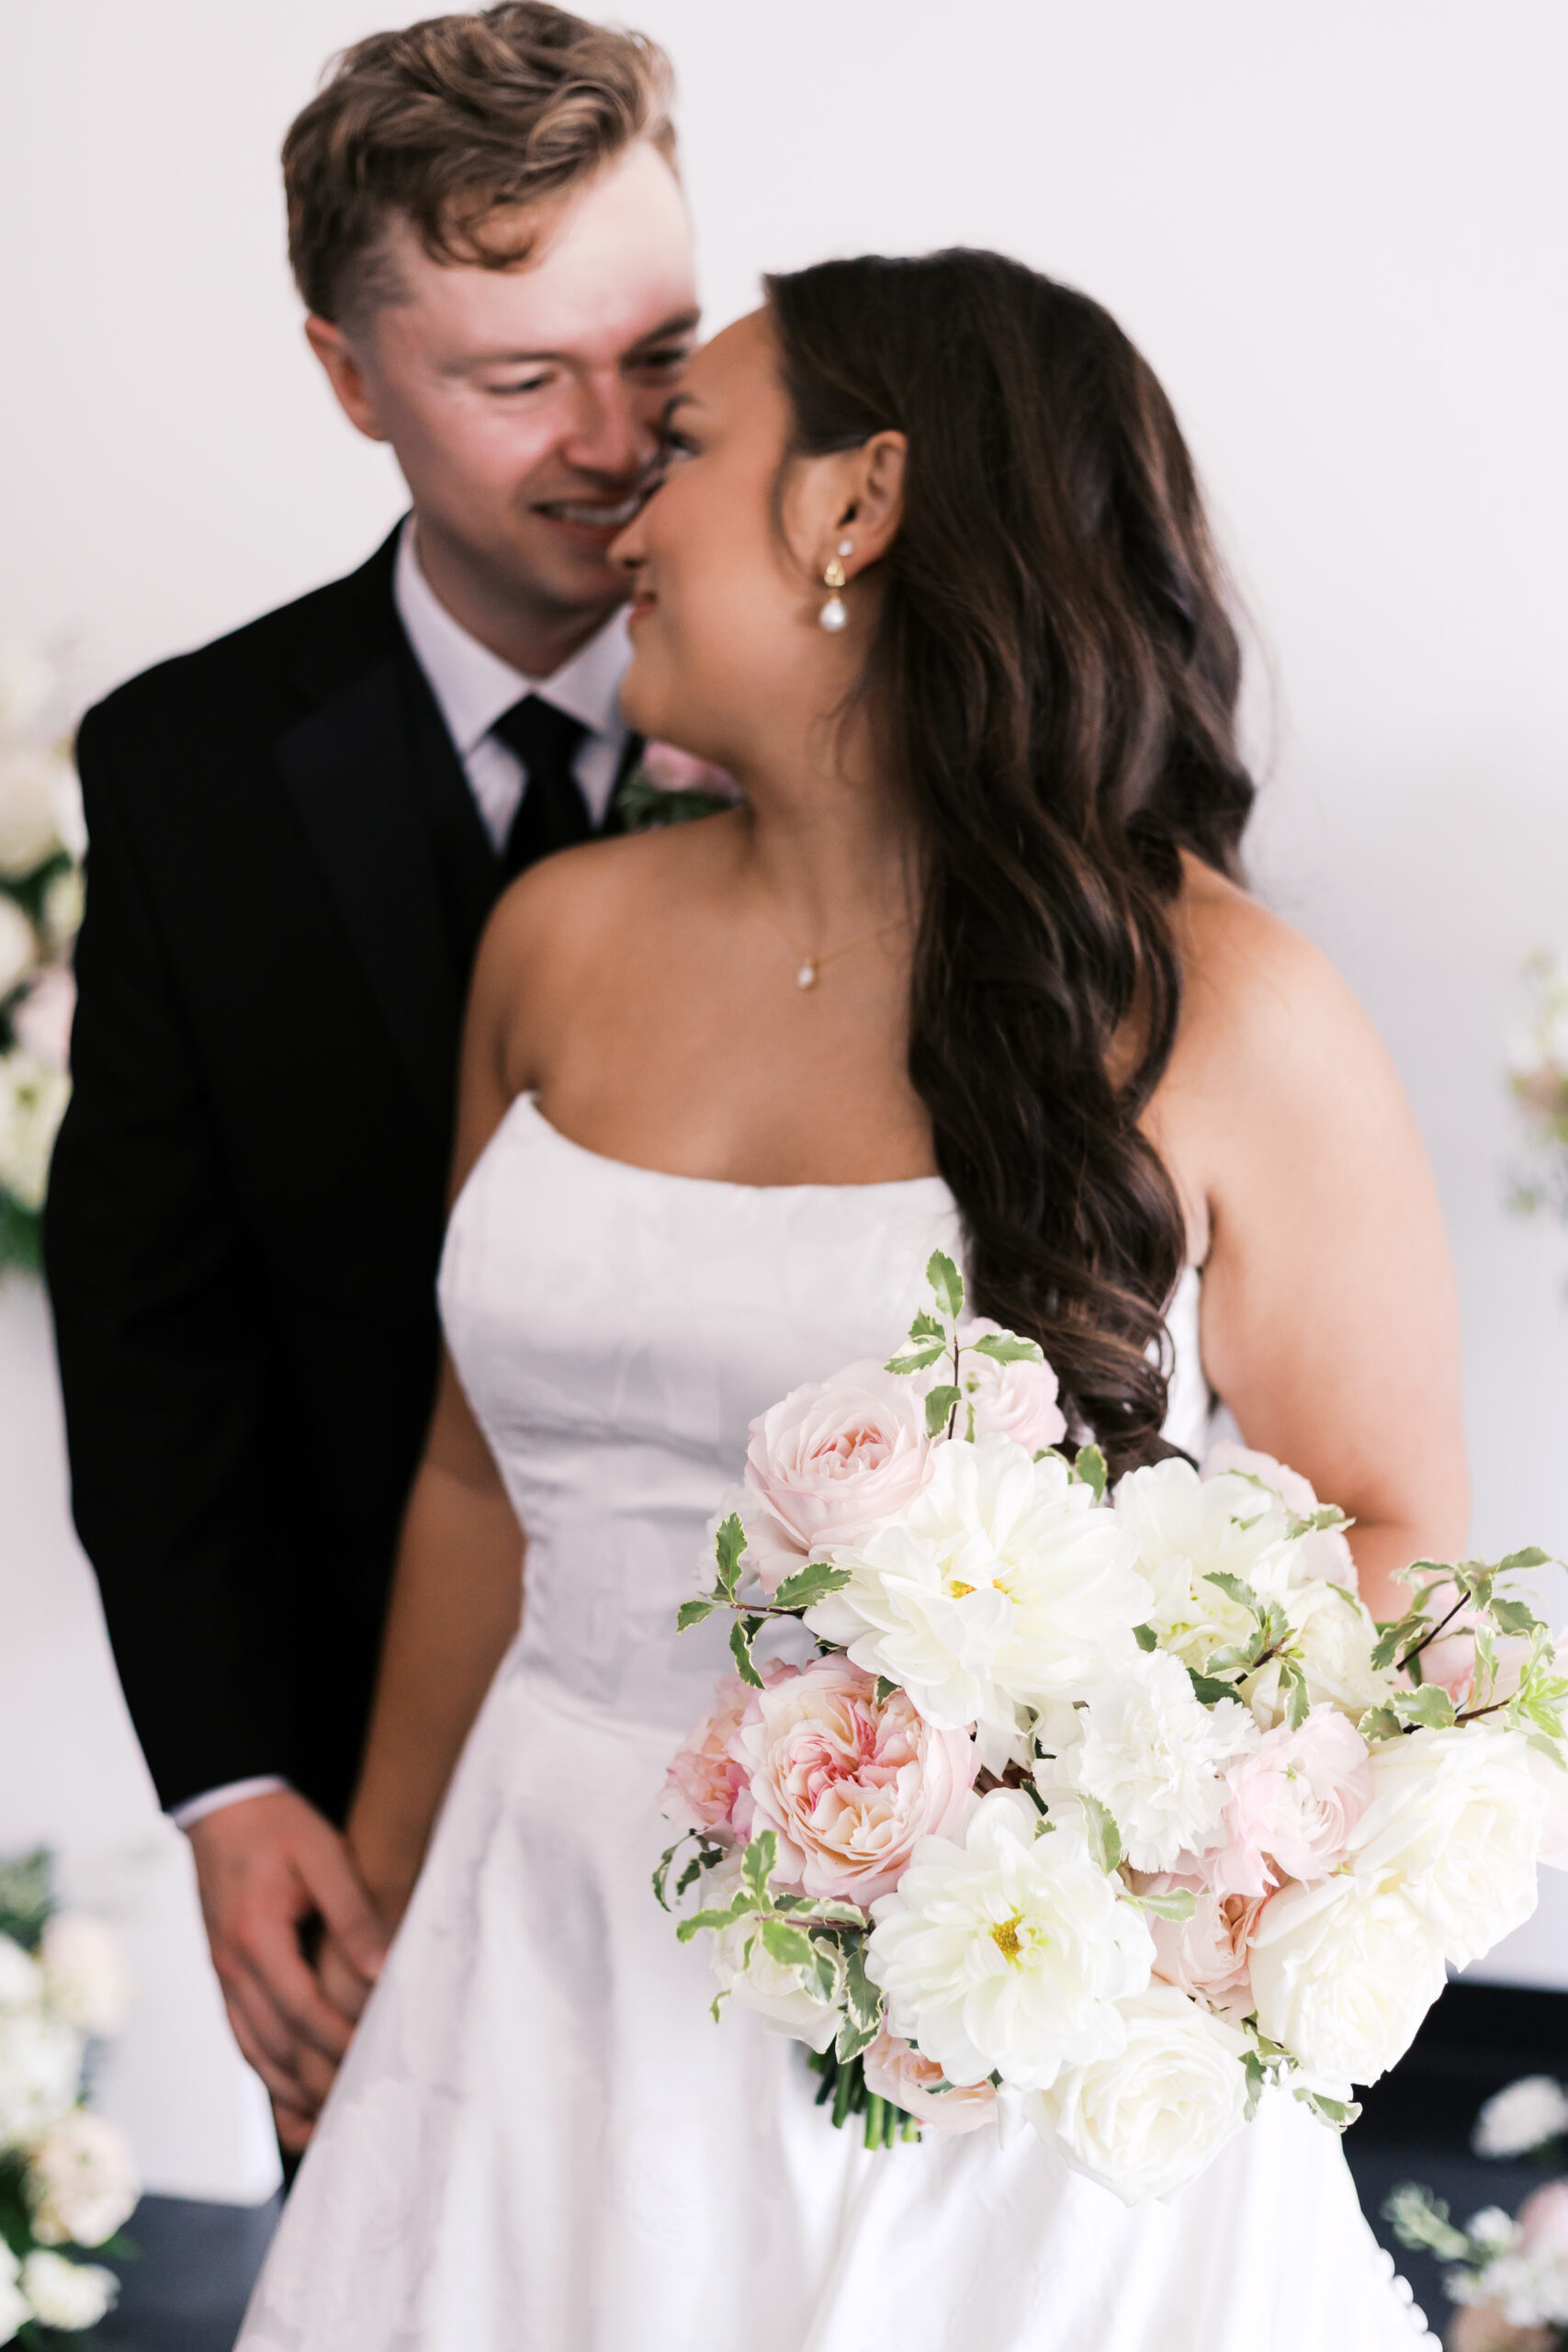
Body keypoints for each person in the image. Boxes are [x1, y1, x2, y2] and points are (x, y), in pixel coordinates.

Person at [235, 249, 1464, 2346]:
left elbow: (1390, 1527)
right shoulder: (556, 937)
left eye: (690, 442)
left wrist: (1091, 1863)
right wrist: (378, 1878)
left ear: (854, 503)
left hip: (960, 2071)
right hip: (531, 1965)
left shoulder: (1226, 1007)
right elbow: (472, 1468)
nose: (623, 507)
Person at [43, 2, 697, 2154]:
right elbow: (156, 1334)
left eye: (659, 352)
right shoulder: (182, 768)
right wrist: (236, 1795)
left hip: (783, 1802)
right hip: (360, 1809)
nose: (616, 442)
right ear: (346, 377)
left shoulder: (879, 745)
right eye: (517, 380)